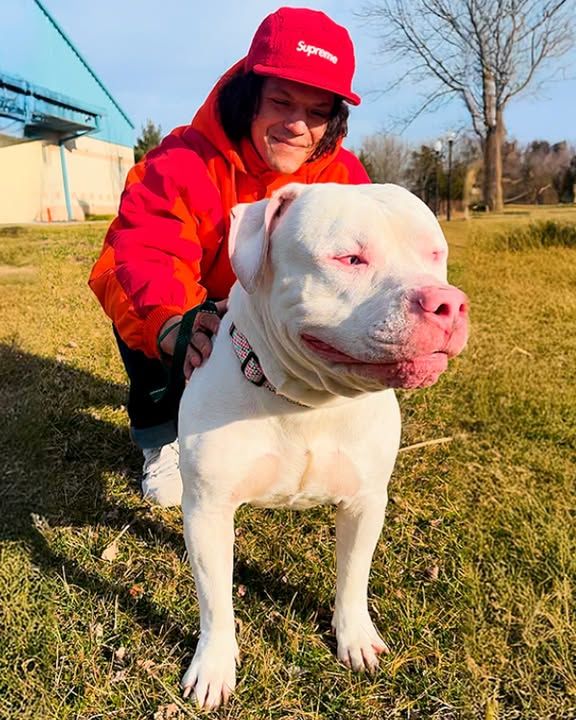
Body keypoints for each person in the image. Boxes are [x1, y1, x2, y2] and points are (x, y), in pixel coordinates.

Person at [89, 6, 370, 507]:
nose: (296, 126)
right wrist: (171, 322)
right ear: (249, 98)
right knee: (155, 335)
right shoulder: (182, 161)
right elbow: (149, 249)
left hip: (256, 297)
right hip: (179, 293)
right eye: (281, 102)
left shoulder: (344, 178)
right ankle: (160, 439)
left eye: (317, 111)